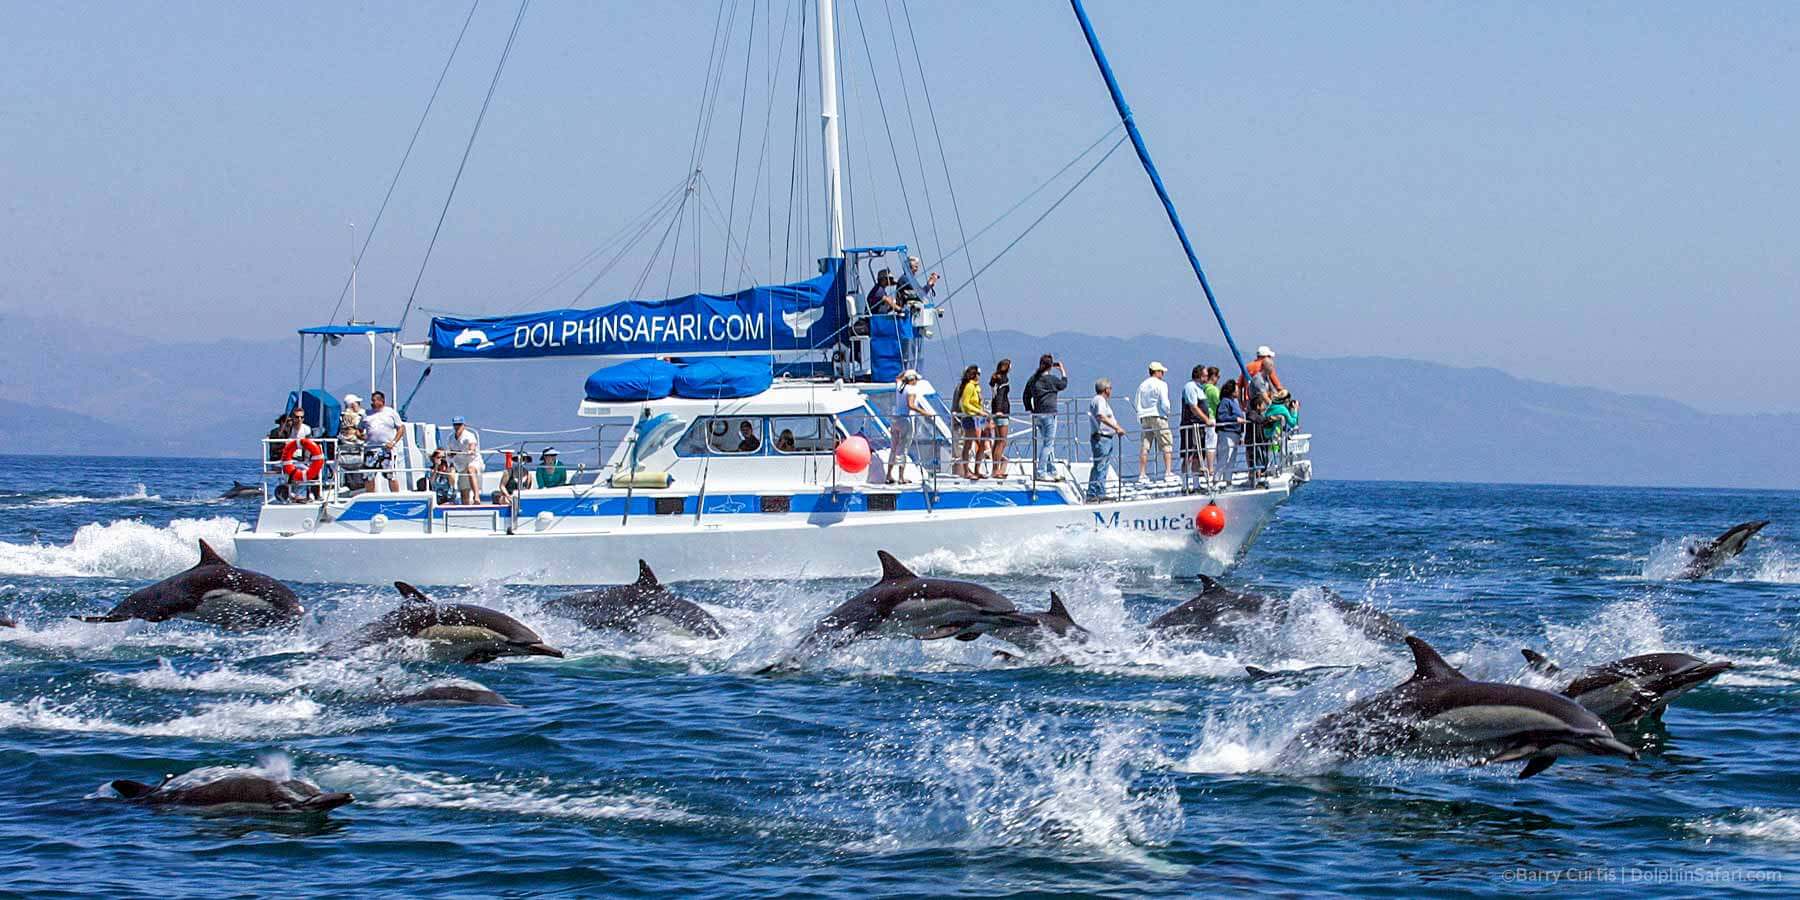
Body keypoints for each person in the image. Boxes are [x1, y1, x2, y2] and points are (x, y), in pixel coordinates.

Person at [1022, 354, 1068, 479]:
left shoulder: (1033, 380)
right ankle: (1041, 471)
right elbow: (1063, 384)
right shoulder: (1051, 380)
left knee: (1048, 443)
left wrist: (1030, 409)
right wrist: (1062, 370)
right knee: (1048, 444)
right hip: (1049, 414)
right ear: (1051, 366)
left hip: (1037, 415)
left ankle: (1052, 470)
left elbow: (1026, 396)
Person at [886, 370, 931, 484]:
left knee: (893, 448)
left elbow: (898, 378)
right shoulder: (911, 389)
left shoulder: (900, 386)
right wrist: (925, 413)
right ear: (912, 380)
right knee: (903, 449)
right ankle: (901, 477)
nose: (917, 382)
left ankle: (888, 475)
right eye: (915, 379)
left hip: (895, 419)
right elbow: (911, 405)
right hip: (905, 420)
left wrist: (905, 372)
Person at [1086, 378, 1127, 500]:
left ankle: (1093, 493)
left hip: (1105, 438)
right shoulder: (1100, 400)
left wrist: (1116, 428)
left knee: (1100, 465)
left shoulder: (1100, 401)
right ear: (1106, 389)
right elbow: (1101, 416)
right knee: (1101, 466)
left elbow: (1106, 417)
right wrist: (1116, 428)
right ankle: (1098, 493)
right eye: (1110, 388)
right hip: (1102, 438)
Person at [1135, 361, 1174, 482]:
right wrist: (1167, 411)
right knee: (1166, 443)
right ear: (1156, 372)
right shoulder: (1161, 384)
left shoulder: (1142, 385)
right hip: (1158, 416)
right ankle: (1168, 472)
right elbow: (1164, 402)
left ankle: (1142, 474)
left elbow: (1137, 401)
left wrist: (1140, 414)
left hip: (1145, 416)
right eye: (1161, 371)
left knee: (1145, 445)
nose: (1163, 374)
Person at [360, 390, 405, 493]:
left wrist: (393, 442)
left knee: (391, 475)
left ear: (382, 401)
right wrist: (361, 436)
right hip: (370, 449)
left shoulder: (391, 413)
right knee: (368, 476)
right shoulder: (366, 414)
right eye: (372, 400)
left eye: (374, 400)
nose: (372, 403)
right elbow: (359, 429)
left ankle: (395, 497)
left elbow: (401, 428)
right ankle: (370, 497)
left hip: (386, 450)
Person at [1180, 364, 1214, 483]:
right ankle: (1185, 483)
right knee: (1189, 454)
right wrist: (1206, 420)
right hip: (1192, 426)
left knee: (1198, 455)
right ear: (1199, 376)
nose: (1207, 378)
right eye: (1205, 375)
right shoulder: (1190, 387)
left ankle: (1195, 483)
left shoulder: (1200, 388)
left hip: (1200, 427)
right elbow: (1193, 407)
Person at [953, 364, 988, 479]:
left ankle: (977, 469)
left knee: (982, 443)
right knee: (968, 444)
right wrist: (978, 411)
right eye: (978, 374)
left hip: (979, 418)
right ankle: (966, 471)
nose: (979, 376)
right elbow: (965, 404)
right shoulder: (969, 386)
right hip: (970, 417)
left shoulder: (976, 387)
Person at [1214, 379, 1244, 483]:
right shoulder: (1225, 402)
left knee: (1231, 459)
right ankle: (1217, 480)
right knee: (1224, 458)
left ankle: (1228, 480)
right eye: (1236, 389)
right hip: (1227, 433)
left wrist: (1240, 434)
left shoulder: (1234, 402)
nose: (1238, 391)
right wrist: (1235, 419)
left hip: (1235, 434)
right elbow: (1221, 417)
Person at [449, 416, 483, 505]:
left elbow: (472, 445)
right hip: (461, 465)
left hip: (473, 461)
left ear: (464, 425)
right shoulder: (451, 438)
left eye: (459, 425)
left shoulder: (469, 435)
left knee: (470, 469)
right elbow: (451, 452)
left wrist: (471, 450)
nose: (457, 427)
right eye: (455, 425)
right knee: (464, 492)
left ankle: (476, 497)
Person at [988, 359, 1012, 479]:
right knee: (1001, 441)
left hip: (996, 411)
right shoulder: (1003, 380)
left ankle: (995, 468)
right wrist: (999, 410)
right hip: (1001, 413)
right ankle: (996, 469)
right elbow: (1000, 396)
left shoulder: (995, 380)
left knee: (998, 441)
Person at [1202, 367, 1223, 476]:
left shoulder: (1203, 388)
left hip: (1205, 418)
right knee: (1212, 444)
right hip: (1212, 418)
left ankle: (1209, 467)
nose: (1218, 379)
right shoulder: (1213, 389)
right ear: (1213, 376)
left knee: (1209, 443)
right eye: (1218, 377)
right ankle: (1211, 469)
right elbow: (1219, 403)